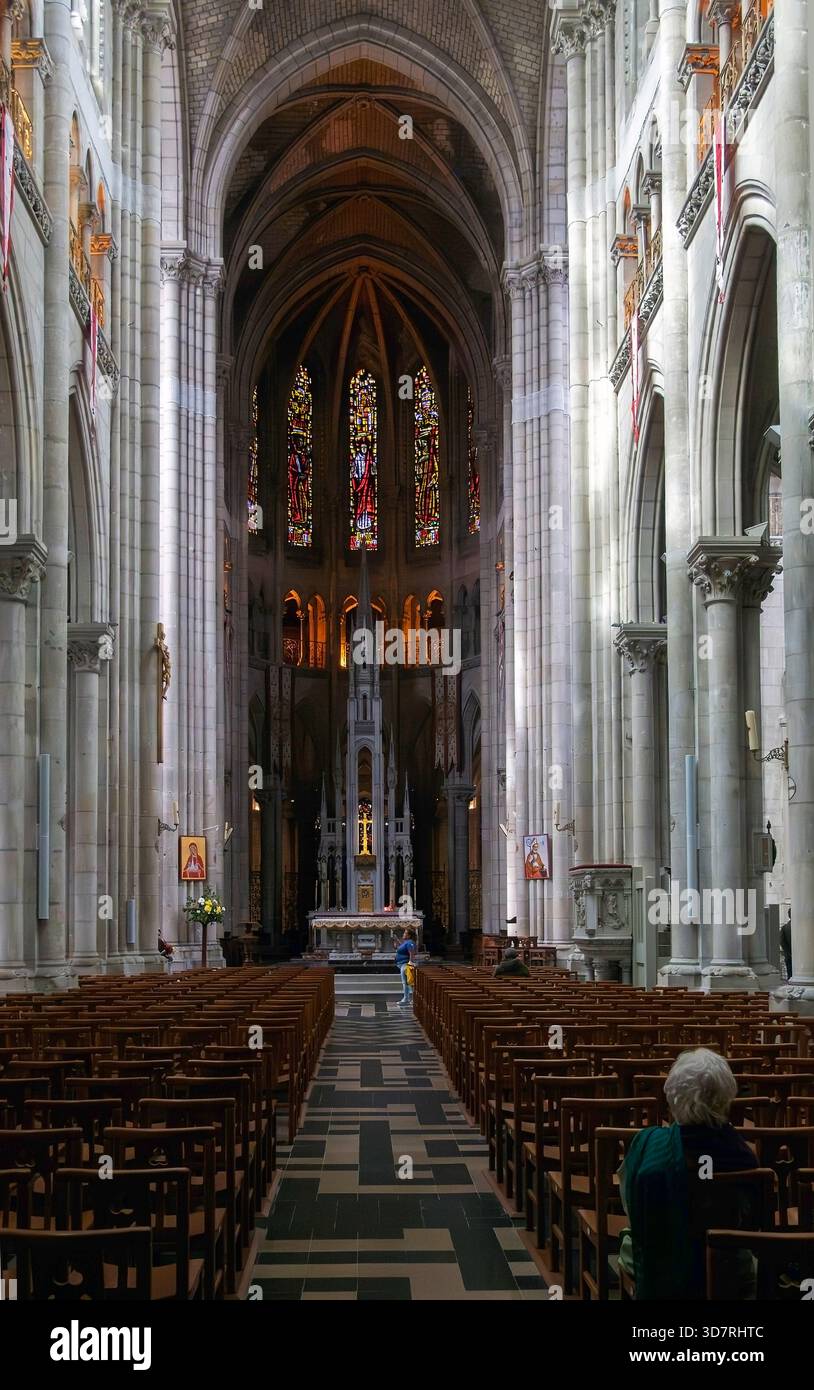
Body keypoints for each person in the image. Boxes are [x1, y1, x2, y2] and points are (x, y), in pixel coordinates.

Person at [618, 1049, 759, 1300]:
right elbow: (751, 1219)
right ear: (726, 1096)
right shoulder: (743, 1155)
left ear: (673, 1095)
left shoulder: (648, 1145)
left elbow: (631, 1207)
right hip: (728, 1269)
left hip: (658, 1265)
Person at [395, 926, 417, 1008]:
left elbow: (412, 953)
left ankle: (407, 999)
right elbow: (401, 949)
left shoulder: (410, 942)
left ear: (409, 935)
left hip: (406, 964)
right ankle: (409, 998)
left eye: (405, 933)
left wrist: (411, 963)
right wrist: (397, 941)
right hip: (402, 964)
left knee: (407, 982)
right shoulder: (406, 942)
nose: (403, 934)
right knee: (407, 982)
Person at [780, 913, 792, 980]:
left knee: (790, 976)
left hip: (789, 955)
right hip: (802, 957)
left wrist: (788, 953)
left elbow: (782, 941)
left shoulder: (784, 927)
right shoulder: (803, 926)